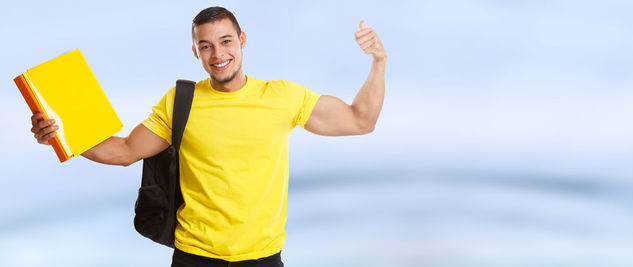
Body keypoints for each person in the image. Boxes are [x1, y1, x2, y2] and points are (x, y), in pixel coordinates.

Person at [28, 6, 386, 267]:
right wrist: (61, 136)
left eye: (226, 41)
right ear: (196, 51)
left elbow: (360, 120)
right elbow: (123, 151)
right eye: (206, 46)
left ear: (242, 40)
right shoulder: (180, 101)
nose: (219, 54)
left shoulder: (283, 97)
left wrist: (378, 61)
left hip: (262, 259)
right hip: (194, 257)